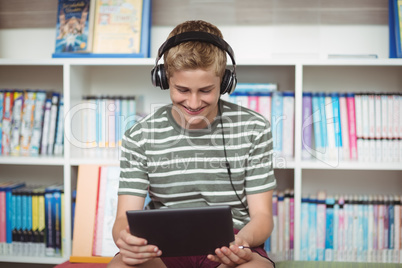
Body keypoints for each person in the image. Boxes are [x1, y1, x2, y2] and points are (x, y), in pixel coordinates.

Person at [108, 20, 277, 268]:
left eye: (206, 90)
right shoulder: (139, 135)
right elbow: (123, 219)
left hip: (232, 246)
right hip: (162, 246)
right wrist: (127, 240)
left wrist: (242, 241)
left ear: (225, 82)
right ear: (164, 80)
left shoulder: (254, 128)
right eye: (182, 89)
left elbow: (262, 217)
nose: (194, 103)